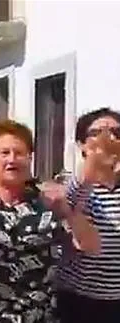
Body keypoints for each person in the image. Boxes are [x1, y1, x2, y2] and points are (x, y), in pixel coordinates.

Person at [0, 120, 100, 322]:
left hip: (36, 315)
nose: (12, 159)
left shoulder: (44, 198)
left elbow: (91, 246)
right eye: (4, 153)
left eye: (20, 153)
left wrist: (68, 212)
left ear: (30, 158)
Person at [56, 108, 120, 323]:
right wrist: (96, 159)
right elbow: (73, 198)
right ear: (82, 145)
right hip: (80, 300)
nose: (108, 138)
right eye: (97, 133)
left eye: (115, 132)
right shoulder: (78, 186)